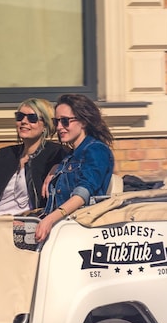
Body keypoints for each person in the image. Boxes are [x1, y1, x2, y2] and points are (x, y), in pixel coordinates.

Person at [34, 94, 114, 242]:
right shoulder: (70, 156)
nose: (59, 127)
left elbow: (83, 192)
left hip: (79, 231)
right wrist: (56, 168)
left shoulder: (96, 150)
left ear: (83, 121)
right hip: (64, 228)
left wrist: (51, 219)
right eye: (56, 121)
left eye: (65, 121)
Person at [0, 98, 66, 220]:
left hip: (26, 223)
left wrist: (58, 166)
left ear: (45, 125)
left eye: (32, 118)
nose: (24, 121)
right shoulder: (4, 155)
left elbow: (78, 161)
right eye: (20, 116)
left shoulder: (55, 154)